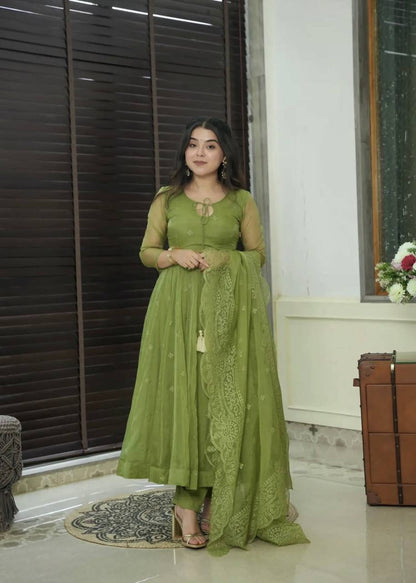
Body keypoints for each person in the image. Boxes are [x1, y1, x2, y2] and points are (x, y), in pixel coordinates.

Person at [117, 117, 308, 556]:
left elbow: (256, 255)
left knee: (223, 401)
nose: (199, 153)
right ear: (184, 152)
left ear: (224, 155)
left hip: (227, 313)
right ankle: (186, 507)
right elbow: (146, 252)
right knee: (187, 401)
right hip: (177, 312)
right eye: (193, 145)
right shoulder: (167, 198)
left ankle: (219, 497)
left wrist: (223, 259)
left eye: (210, 145)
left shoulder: (241, 201)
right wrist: (173, 254)